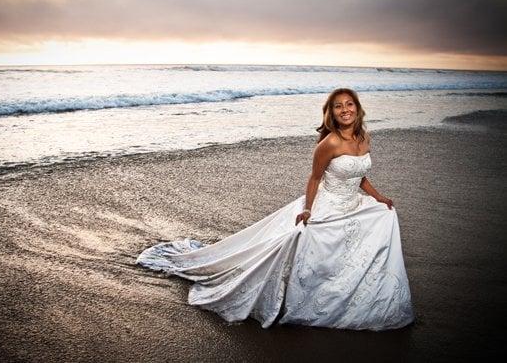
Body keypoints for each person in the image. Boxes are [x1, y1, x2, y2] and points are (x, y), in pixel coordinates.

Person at [136, 88, 414, 330]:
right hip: (327, 202)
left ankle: (356, 293)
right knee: (306, 239)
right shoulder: (329, 143)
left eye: (349, 104)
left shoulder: (365, 138)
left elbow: (359, 176)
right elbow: (315, 178)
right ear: (331, 112)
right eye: (338, 105)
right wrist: (308, 209)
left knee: (385, 217)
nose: (345, 110)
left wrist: (379, 197)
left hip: (353, 202)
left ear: (357, 108)